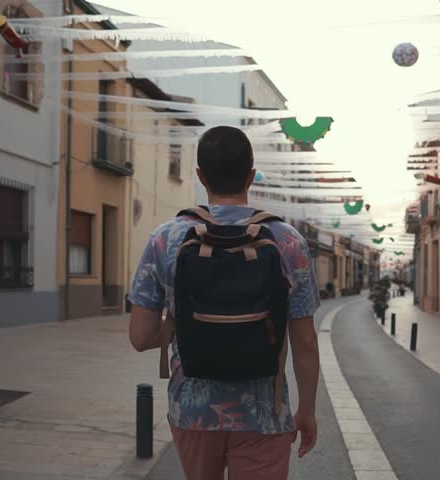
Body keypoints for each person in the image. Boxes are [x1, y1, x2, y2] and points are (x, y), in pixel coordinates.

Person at [127, 126, 321, 480]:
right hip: (266, 412)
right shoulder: (287, 240)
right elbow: (305, 341)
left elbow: (140, 338)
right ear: (250, 176)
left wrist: (178, 322)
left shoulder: (165, 238)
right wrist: (306, 410)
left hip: (192, 410)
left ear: (201, 176)